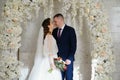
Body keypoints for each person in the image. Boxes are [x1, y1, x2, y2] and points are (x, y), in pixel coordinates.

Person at [52, 13, 77, 80]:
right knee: (60, 77)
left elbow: (73, 46)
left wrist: (69, 58)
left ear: (61, 20)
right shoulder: (54, 31)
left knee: (69, 78)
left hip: (67, 59)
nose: (54, 23)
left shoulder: (70, 30)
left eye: (55, 21)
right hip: (58, 59)